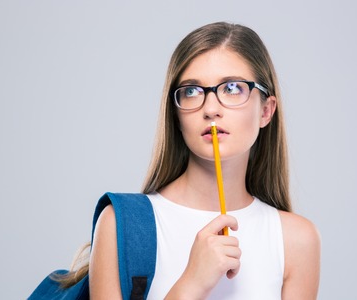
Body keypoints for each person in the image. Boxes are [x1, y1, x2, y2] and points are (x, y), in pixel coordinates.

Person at [81, 21, 320, 299]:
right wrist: (192, 283)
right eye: (191, 91)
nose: (210, 109)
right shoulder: (121, 226)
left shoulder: (297, 240)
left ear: (266, 111)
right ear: (177, 115)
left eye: (232, 88)